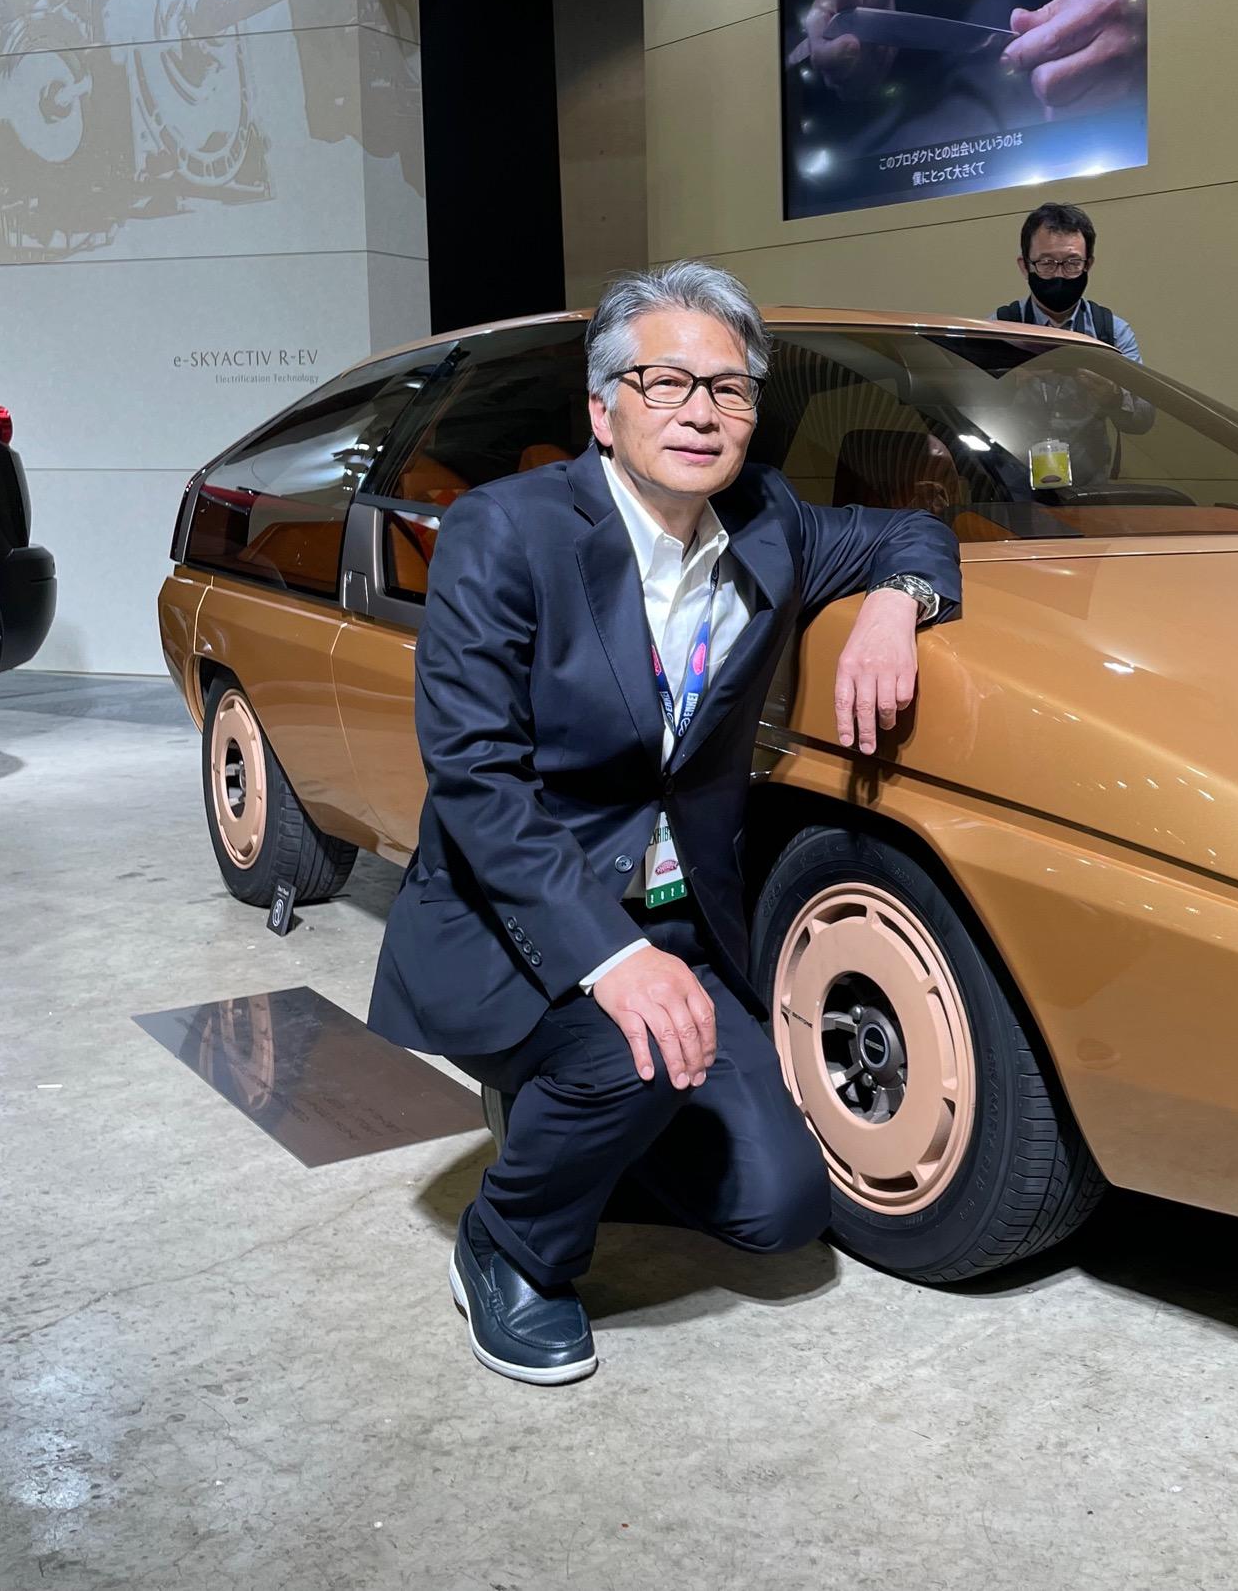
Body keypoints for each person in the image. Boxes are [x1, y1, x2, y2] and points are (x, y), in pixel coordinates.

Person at [366, 261, 961, 1387]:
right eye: (666, 382)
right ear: (604, 410)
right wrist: (613, 958)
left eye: (729, 389)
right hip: (518, 923)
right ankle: (509, 1245)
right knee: (632, 1052)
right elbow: (477, 779)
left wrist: (896, 605)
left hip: (684, 920)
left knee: (781, 1213)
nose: (701, 411)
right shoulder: (505, 532)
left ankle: (579, 1122)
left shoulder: (769, 522)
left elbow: (909, 534)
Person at [993, 202, 1154, 484]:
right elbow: (966, 410)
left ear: (1088, 264)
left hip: (1090, 485)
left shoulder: (1112, 332)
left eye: (1072, 263)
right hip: (1010, 485)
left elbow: (1144, 419)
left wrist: (1113, 396)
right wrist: (1009, 382)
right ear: (1025, 265)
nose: (1059, 275)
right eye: (1046, 263)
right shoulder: (998, 329)